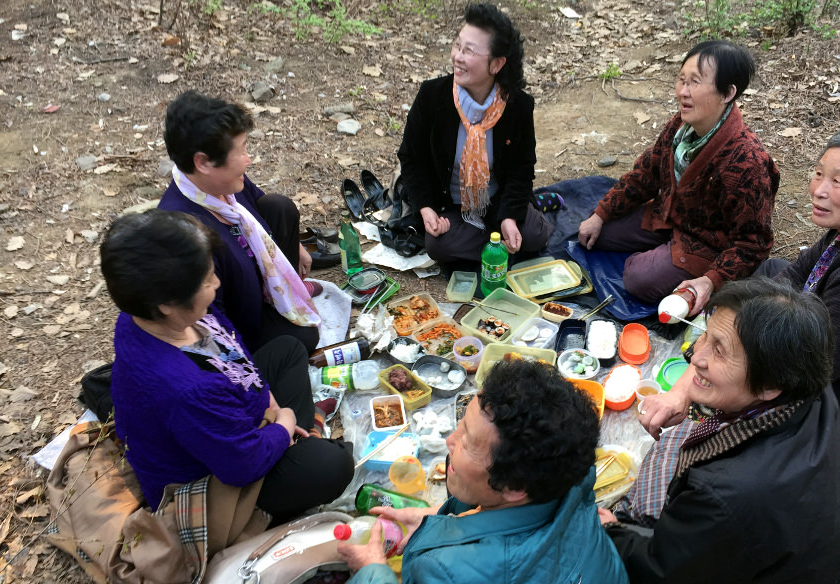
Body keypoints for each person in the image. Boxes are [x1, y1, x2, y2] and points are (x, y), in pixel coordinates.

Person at [100, 209, 354, 524]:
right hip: (212, 485)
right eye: (207, 280)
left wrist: (271, 406)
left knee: (288, 350)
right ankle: (288, 464)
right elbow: (241, 465)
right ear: (166, 303)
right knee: (334, 465)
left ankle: (290, 447)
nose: (217, 283)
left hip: (232, 423)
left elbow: (236, 357)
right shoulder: (184, 389)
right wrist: (284, 422)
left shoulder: (150, 315)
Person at [600, 278, 840, 583]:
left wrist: (612, 532)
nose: (696, 358)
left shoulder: (725, 493)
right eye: (705, 336)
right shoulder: (810, 386)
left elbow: (661, 570)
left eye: (720, 351)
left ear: (769, 385)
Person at [338, 360, 629, 584]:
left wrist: (372, 570)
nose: (450, 441)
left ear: (514, 488)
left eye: (467, 441)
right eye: (461, 426)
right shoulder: (569, 474)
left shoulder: (446, 571)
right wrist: (444, 518)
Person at [578, 40, 778, 312]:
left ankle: (670, 259)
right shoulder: (681, 127)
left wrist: (712, 280)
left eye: (695, 82)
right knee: (596, 233)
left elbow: (754, 244)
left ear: (728, 93)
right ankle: (663, 250)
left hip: (706, 242)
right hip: (668, 216)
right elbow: (647, 172)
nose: (682, 91)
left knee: (637, 278)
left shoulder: (746, 162)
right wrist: (601, 213)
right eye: (681, 80)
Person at [159, 90, 323, 354]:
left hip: (257, 279)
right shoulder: (185, 235)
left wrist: (294, 249)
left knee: (279, 206)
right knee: (303, 338)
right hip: (243, 317)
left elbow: (259, 205)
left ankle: (286, 289)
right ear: (202, 162)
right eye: (242, 149)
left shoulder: (221, 183)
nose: (249, 159)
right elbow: (208, 324)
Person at [398, 3, 553, 267]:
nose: (457, 56)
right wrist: (425, 208)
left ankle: (502, 234)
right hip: (451, 206)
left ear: (496, 64)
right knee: (438, 245)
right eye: (457, 46)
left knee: (532, 235)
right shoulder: (432, 96)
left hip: (496, 201)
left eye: (469, 51)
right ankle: (499, 245)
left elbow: (521, 169)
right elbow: (412, 159)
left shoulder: (517, 106)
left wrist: (508, 218)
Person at [754, 131, 840, 397]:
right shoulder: (836, 234)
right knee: (770, 272)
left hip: (824, 385)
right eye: (818, 174)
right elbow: (801, 268)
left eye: (837, 181)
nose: (819, 190)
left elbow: (822, 361)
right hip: (817, 319)